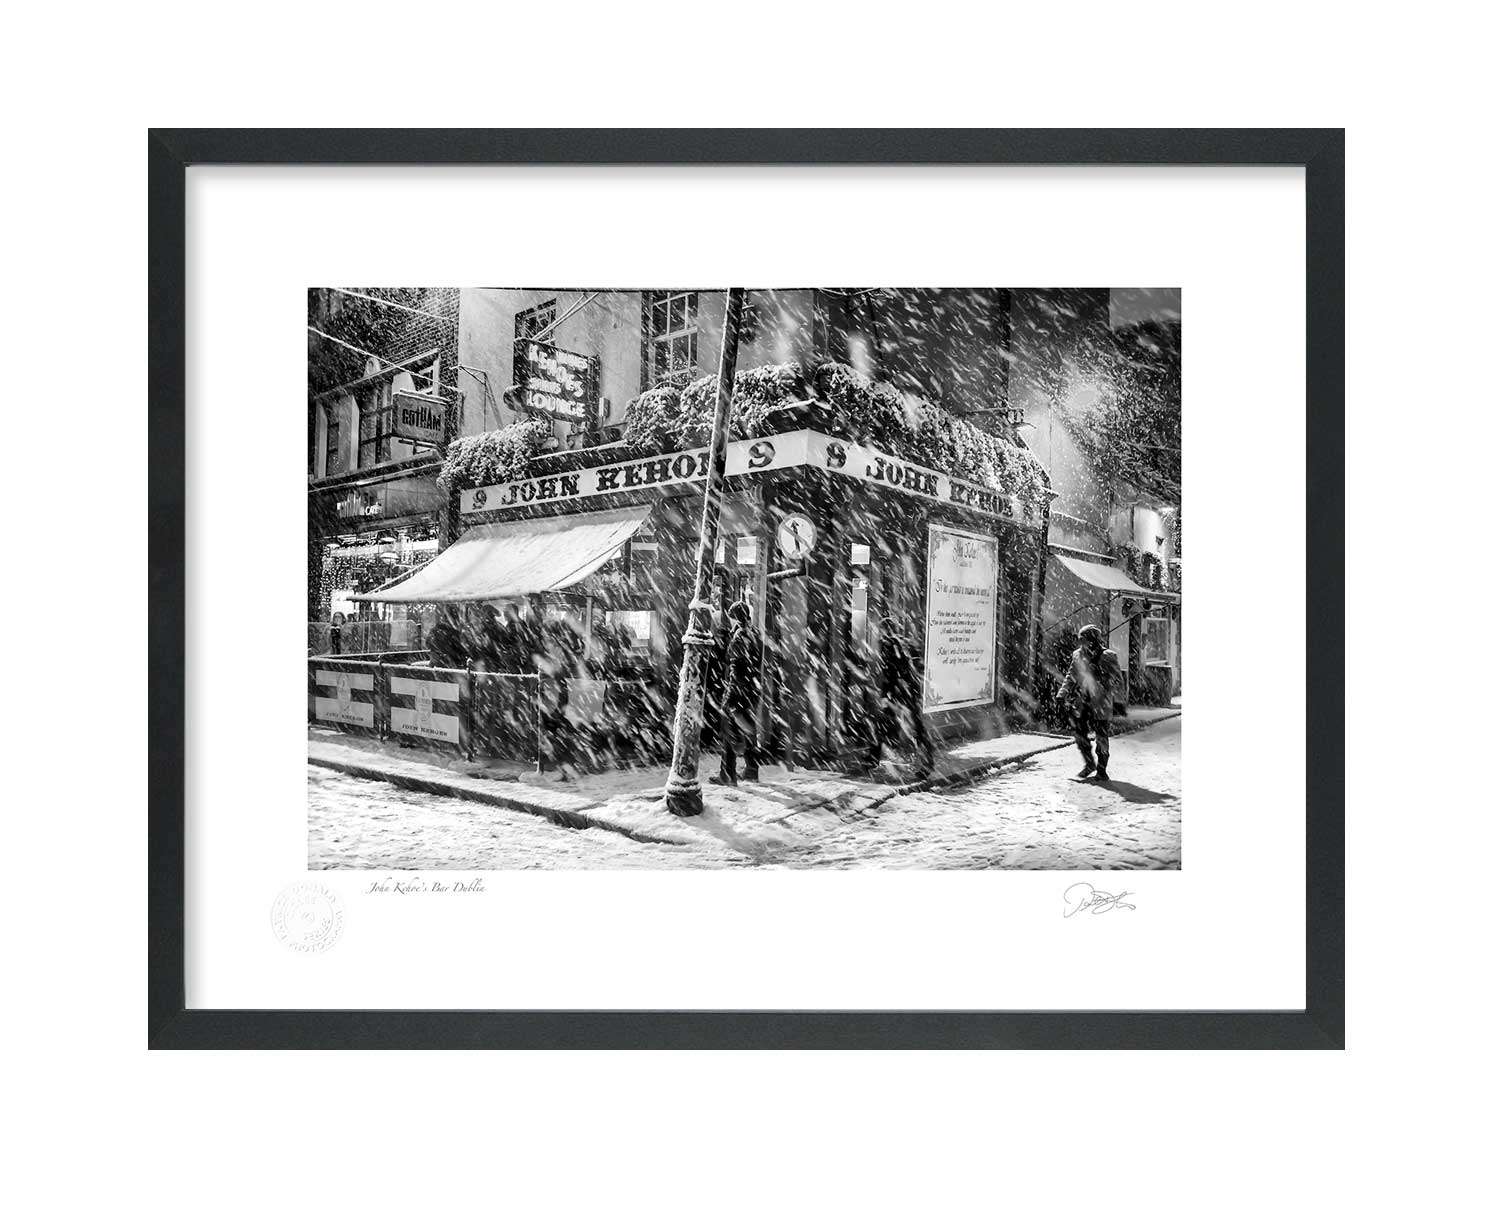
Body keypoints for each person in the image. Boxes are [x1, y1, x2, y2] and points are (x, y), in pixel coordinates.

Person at [871, 614, 935, 778]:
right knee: (914, 726)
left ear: (885, 630)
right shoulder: (906, 643)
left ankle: (872, 758)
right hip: (910, 690)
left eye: (881, 630)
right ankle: (927, 760)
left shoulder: (889, 644)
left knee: (884, 723)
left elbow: (891, 671)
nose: (880, 634)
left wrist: (886, 694)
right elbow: (918, 665)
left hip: (900, 691)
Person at [1056, 623, 1123, 780]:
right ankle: (1089, 764)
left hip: (1101, 702)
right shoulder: (1077, 655)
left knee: (1101, 737)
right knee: (1080, 734)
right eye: (1080, 639)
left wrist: (1102, 681)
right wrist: (1062, 693)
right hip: (1082, 701)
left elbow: (1118, 680)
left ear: (1092, 639)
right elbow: (1071, 675)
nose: (1080, 642)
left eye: (1083, 639)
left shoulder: (1108, 656)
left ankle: (1102, 770)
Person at [710, 601, 760, 786]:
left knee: (729, 729)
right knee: (747, 728)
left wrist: (731, 696)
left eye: (731, 617)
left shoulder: (739, 637)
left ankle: (728, 774)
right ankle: (751, 769)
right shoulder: (751, 633)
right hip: (750, 691)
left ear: (736, 618)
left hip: (739, 691)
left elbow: (738, 668)